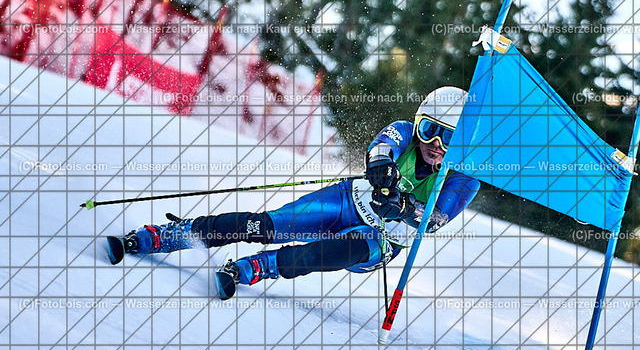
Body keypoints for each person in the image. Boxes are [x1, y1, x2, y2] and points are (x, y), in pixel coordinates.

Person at [114, 86, 480, 299]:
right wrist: (382, 169)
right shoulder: (403, 131)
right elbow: (380, 150)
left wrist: (403, 208)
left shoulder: (465, 178)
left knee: (334, 251)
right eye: (430, 130)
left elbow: (434, 219)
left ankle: (260, 267)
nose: (436, 145)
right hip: (347, 201)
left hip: (380, 239)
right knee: (264, 225)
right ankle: (169, 235)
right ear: (418, 123)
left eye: (448, 138)